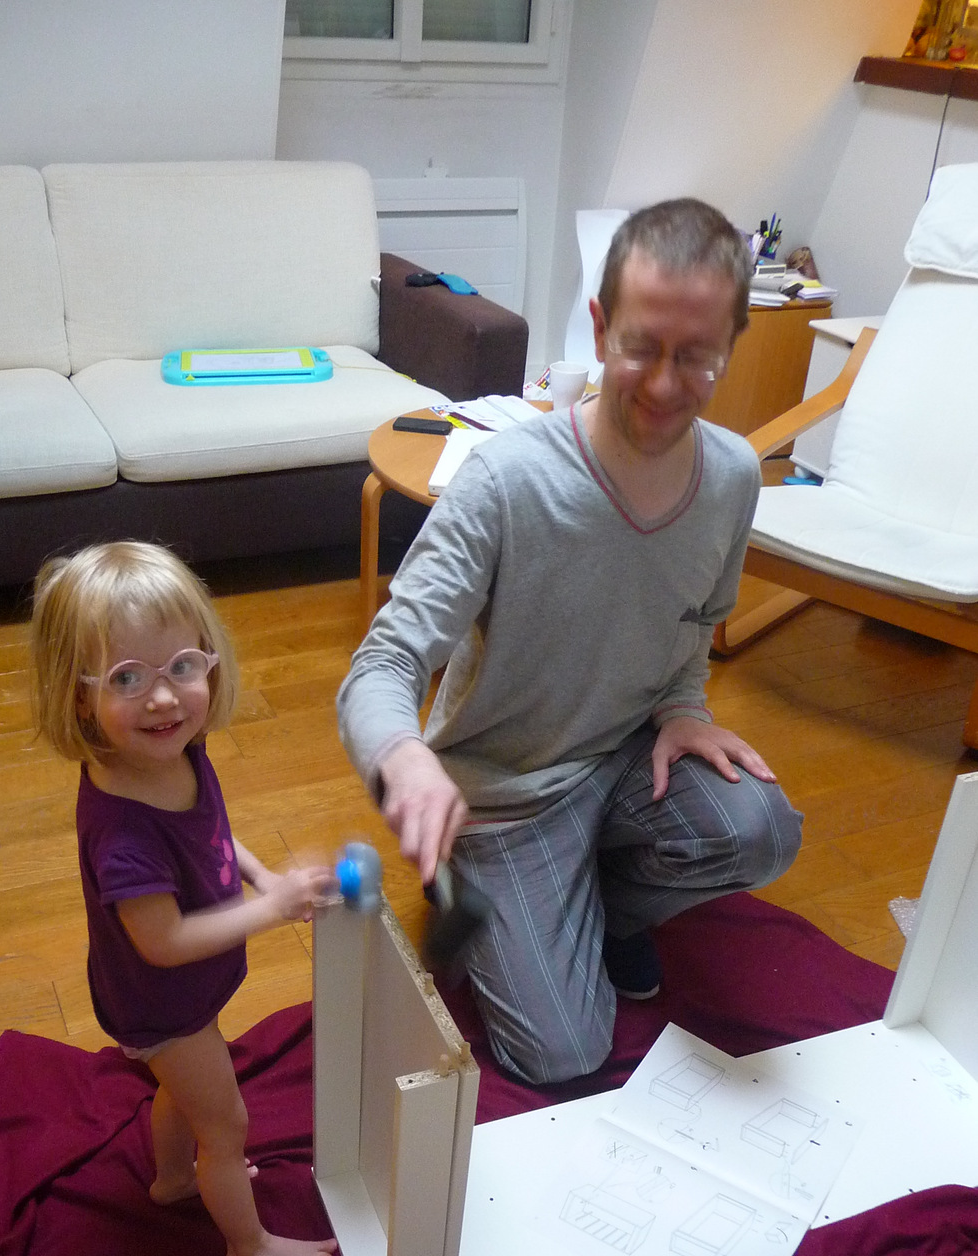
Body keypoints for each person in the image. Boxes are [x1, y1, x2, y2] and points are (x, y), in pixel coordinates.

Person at [338, 197, 802, 1086]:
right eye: (640, 347)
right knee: (561, 1053)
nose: (662, 384)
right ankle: (509, 886)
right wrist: (404, 759)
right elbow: (384, 662)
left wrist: (684, 709)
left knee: (761, 831)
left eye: (694, 356)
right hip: (504, 791)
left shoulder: (734, 475)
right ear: (597, 326)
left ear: (730, 344)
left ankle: (608, 909)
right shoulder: (504, 479)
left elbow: (695, 625)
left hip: (627, 758)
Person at [31, 541, 338, 1256]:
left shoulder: (170, 753)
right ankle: (248, 1248)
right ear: (79, 697)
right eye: (127, 678)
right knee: (226, 1126)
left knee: (185, 1091)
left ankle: (172, 1178)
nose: (163, 699)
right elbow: (164, 941)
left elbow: (212, 836)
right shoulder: (124, 834)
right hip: (160, 1003)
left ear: (210, 662)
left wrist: (260, 875)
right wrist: (273, 909)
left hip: (179, 997)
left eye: (181, 667)